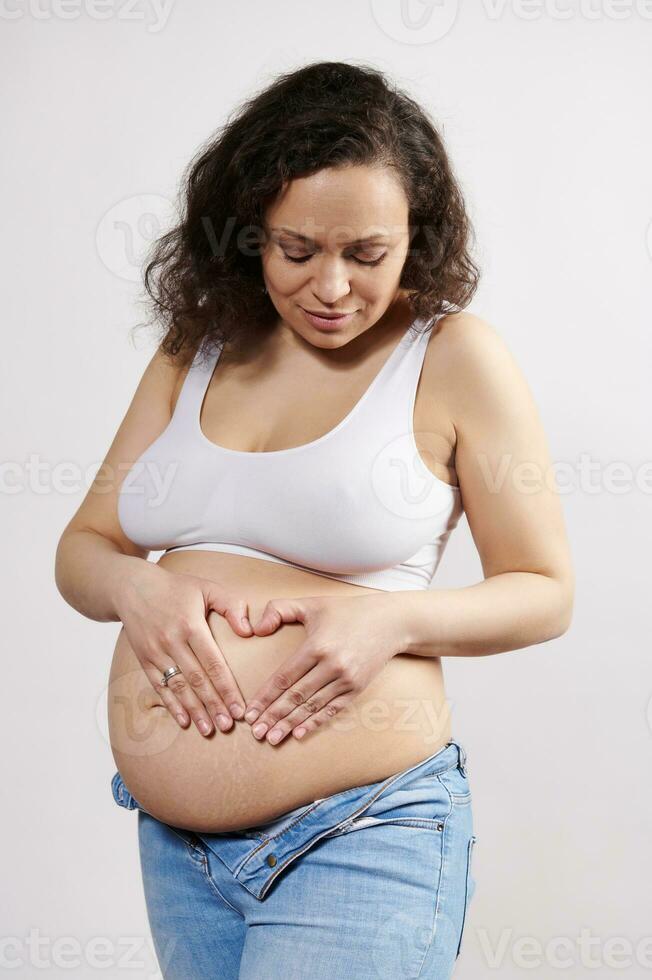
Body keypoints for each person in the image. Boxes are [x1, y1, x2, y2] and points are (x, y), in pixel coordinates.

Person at [55, 60, 574, 979]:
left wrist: (394, 618)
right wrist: (138, 588)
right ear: (251, 232)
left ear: (417, 237)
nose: (332, 287)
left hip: (363, 829)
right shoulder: (199, 347)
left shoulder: (453, 357)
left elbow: (545, 592)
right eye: (298, 250)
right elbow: (85, 549)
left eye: (367, 254)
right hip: (180, 853)